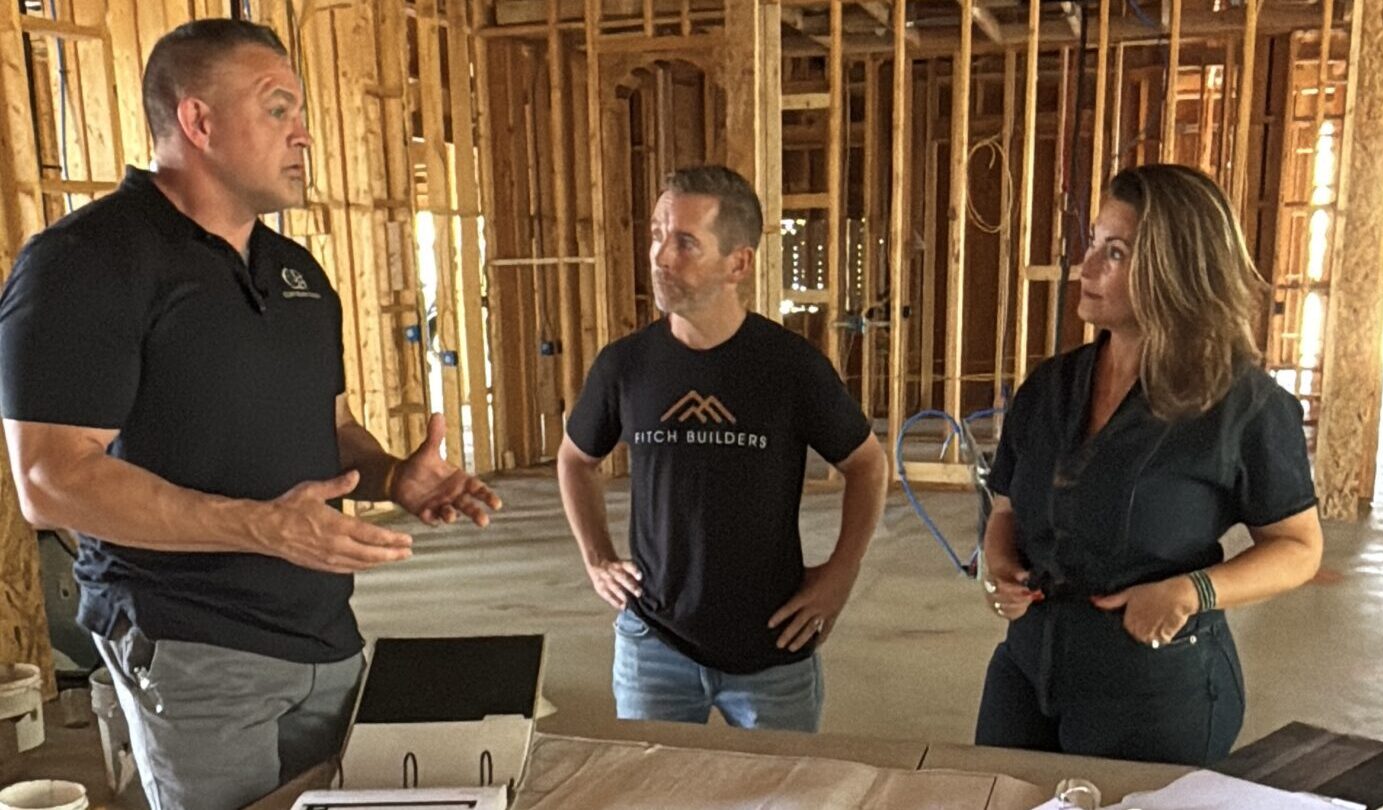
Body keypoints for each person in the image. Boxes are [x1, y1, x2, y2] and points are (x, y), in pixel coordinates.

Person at [0, 19, 500, 809]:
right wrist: (261, 527)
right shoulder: (88, 262)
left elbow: (330, 425)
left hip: (325, 631)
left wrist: (392, 473)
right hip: (192, 642)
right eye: (277, 109)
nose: (304, 133)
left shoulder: (295, 270)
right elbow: (50, 480)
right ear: (197, 122)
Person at [974, 164, 1324, 765]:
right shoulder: (1050, 388)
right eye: (1092, 244)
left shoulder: (1242, 404)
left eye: (1116, 253)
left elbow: (1299, 547)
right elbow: (1007, 507)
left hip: (1153, 683)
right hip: (1030, 668)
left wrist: (1195, 591)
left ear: (1176, 269)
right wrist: (1000, 565)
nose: (1086, 269)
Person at [557, 166, 889, 732]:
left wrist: (840, 575)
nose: (662, 256)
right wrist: (596, 557)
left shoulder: (790, 368)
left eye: (685, 241)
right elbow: (575, 459)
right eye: (658, 234)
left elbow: (866, 464)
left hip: (772, 647)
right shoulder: (625, 366)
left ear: (739, 263)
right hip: (653, 644)